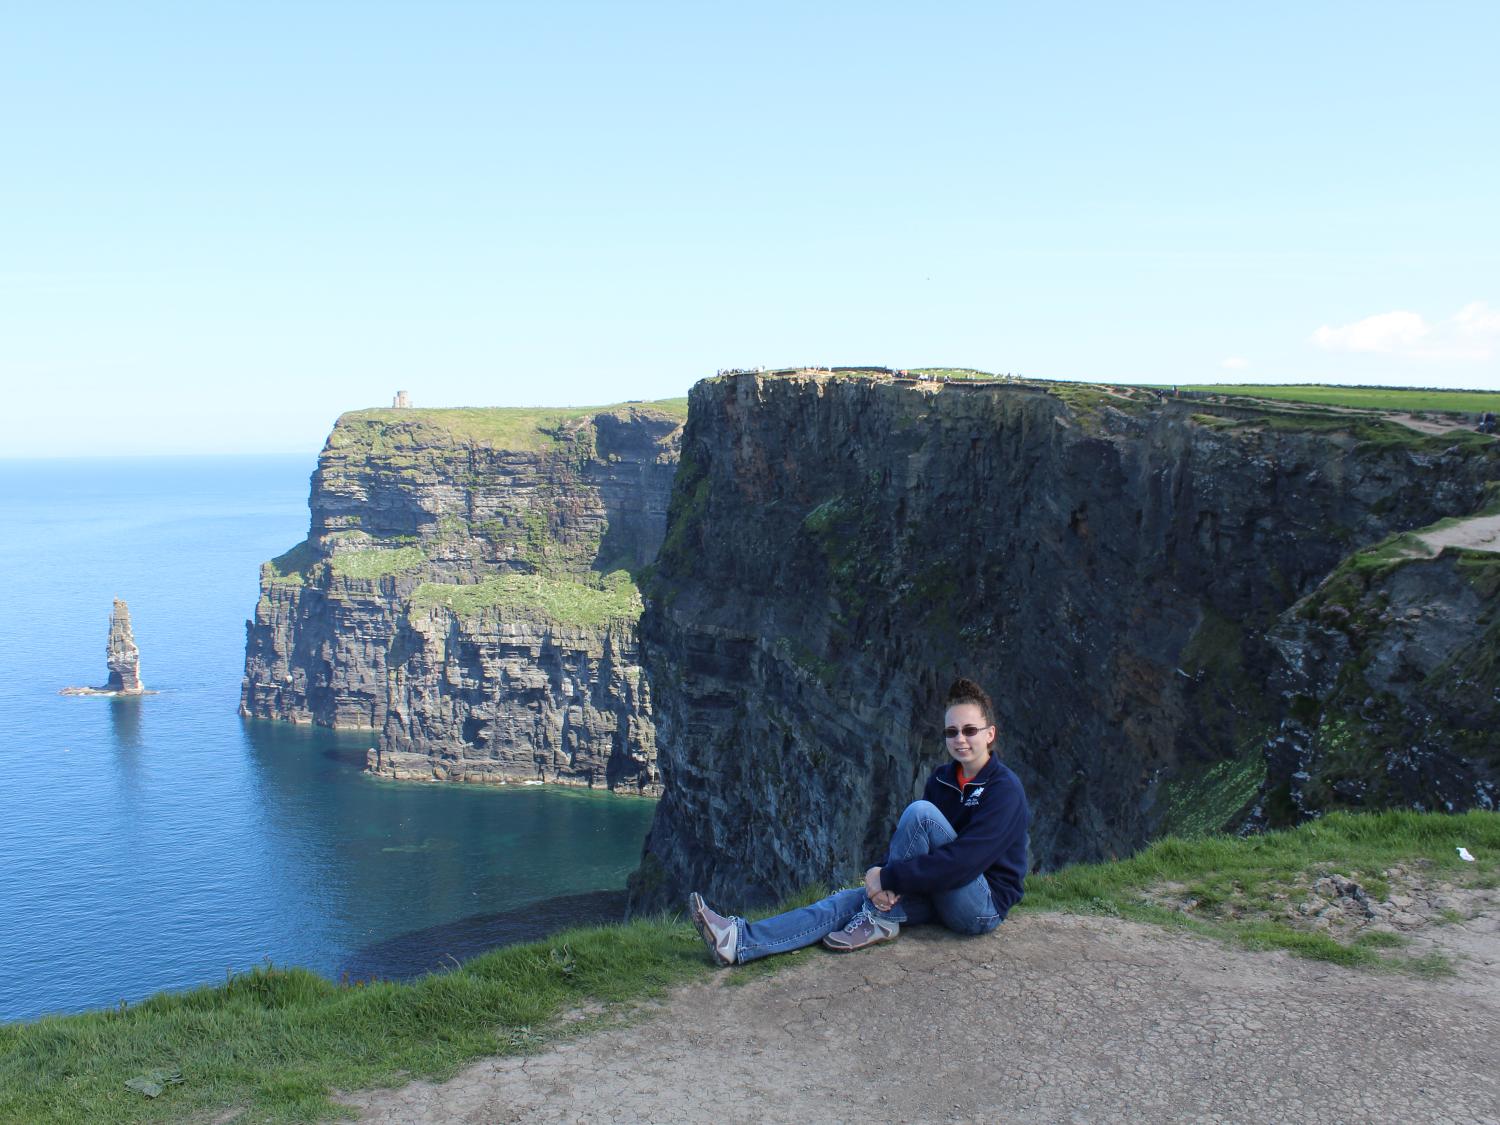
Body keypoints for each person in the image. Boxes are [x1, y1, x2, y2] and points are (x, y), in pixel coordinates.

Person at [688, 678, 1030, 964]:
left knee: (920, 815)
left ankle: (878, 917)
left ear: (990, 734)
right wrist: (880, 875)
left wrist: (887, 876)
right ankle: (737, 941)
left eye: (970, 730)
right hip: (941, 890)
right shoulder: (942, 778)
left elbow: (965, 863)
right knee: (845, 901)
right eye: (951, 732)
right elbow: (913, 847)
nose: (960, 739)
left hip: (980, 907)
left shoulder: (1004, 790)